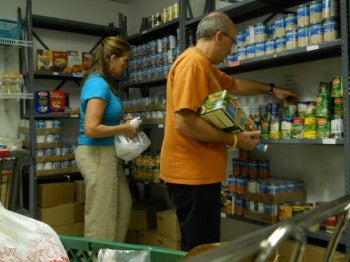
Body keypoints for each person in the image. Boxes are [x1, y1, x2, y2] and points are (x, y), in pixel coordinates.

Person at [160, 12, 299, 251]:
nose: (231, 51)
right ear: (218, 37)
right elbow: (184, 122)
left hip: (201, 174)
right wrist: (235, 140)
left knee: (205, 246)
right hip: (192, 175)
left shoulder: (205, 66)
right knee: (199, 249)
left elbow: (234, 84)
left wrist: (272, 89)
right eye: (232, 43)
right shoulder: (192, 64)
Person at [75, 36, 138, 242]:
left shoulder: (104, 84)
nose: (125, 65)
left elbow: (103, 118)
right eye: (124, 60)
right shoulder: (98, 84)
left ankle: (111, 255)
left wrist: (123, 121)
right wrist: (124, 128)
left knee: (122, 205)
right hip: (97, 154)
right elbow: (92, 128)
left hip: (107, 153)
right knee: (101, 218)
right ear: (112, 57)